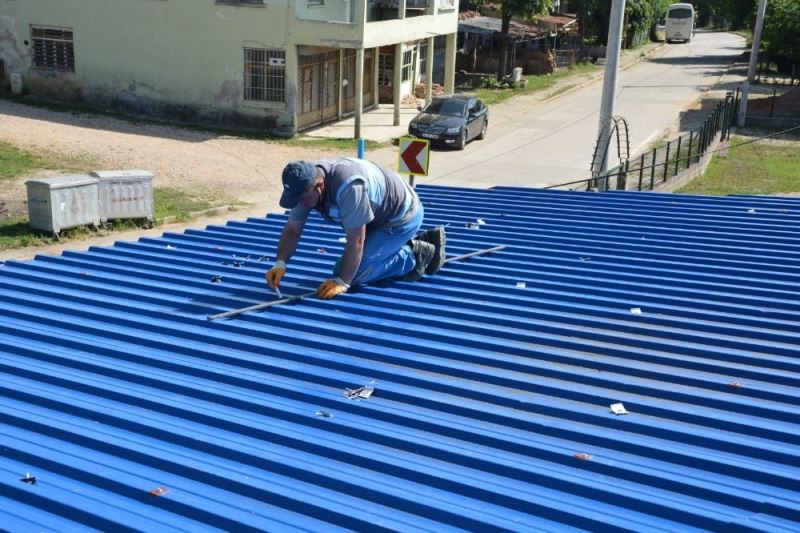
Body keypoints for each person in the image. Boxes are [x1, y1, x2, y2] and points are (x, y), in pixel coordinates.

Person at [265, 157, 445, 299]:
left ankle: (415, 254)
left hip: (401, 218)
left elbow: (356, 240)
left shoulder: (349, 187)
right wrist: (280, 263)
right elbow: (293, 229)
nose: (301, 204)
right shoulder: (304, 186)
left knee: (352, 273)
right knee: (348, 267)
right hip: (374, 218)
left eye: (303, 199)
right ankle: (395, 246)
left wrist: (343, 282)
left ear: (319, 186)